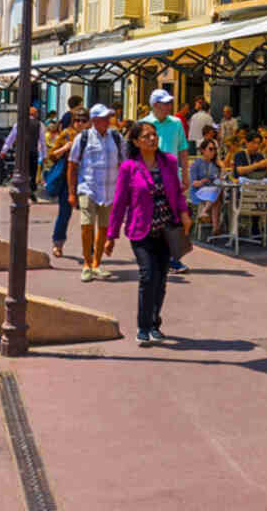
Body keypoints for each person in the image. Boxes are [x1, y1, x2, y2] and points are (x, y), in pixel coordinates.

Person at [106, 121, 189, 346]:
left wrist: (184, 213)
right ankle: (143, 327)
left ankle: (154, 323)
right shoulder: (129, 167)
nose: (152, 139)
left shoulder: (169, 162)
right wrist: (111, 235)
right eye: (146, 136)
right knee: (147, 276)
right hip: (141, 230)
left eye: (154, 135)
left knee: (161, 280)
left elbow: (177, 193)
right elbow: (120, 201)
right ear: (135, 142)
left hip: (166, 230)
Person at [69, 104, 124, 280]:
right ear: (94, 120)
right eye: (104, 118)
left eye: (108, 117)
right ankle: (86, 263)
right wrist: (71, 192)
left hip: (110, 190)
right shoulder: (83, 138)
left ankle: (97, 264)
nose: (107, 121)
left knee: (103, 228)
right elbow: (72, 164)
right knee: (86, 226)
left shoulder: (116, 137)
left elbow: (124, 163)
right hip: (88, 188)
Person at [141, 89, 192, 273]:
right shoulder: (143, 124)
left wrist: (185, 175)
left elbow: (183, 150)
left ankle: (173, 259)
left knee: (173, 220)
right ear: (155, 105)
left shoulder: (177, 123)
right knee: (152, 218)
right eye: (165, 103)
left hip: (172, 178)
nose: (169, 106)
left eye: (170, 102)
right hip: (149, 179)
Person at [47, 110, 88, 256]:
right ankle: (58, 244)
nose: (80, 123)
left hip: (87, 180)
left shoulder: (92, 136)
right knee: (64, 213)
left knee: (89, 216)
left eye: (83, 120)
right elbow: (51, 155)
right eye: (77, 120)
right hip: (68, 180)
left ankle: (89, 249)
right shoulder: (66, 134)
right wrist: (65, 148)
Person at [1, 106, 47, 203]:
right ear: (36, 114)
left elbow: (11, 138)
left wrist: (4, 150)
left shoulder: (19, 124)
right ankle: (31, 189)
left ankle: (22, 190)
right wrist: (44, 155)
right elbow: (43, 142)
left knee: (21, 172)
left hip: (21, 152)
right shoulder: (40, 125)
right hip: (33, 152)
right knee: (32, 172)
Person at [189, 139, 224, 240]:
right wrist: (202, 181)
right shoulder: (196, 164)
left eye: (215, 149)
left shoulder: (215, 165)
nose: (213, 152)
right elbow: (194, 183)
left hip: (213, 193)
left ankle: (214, 227)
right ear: (203, 150)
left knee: (216, 193)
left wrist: (222, 167)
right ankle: (215, 226)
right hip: (199, 191)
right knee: (216, 192)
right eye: (211, 149)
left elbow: (221, 180)